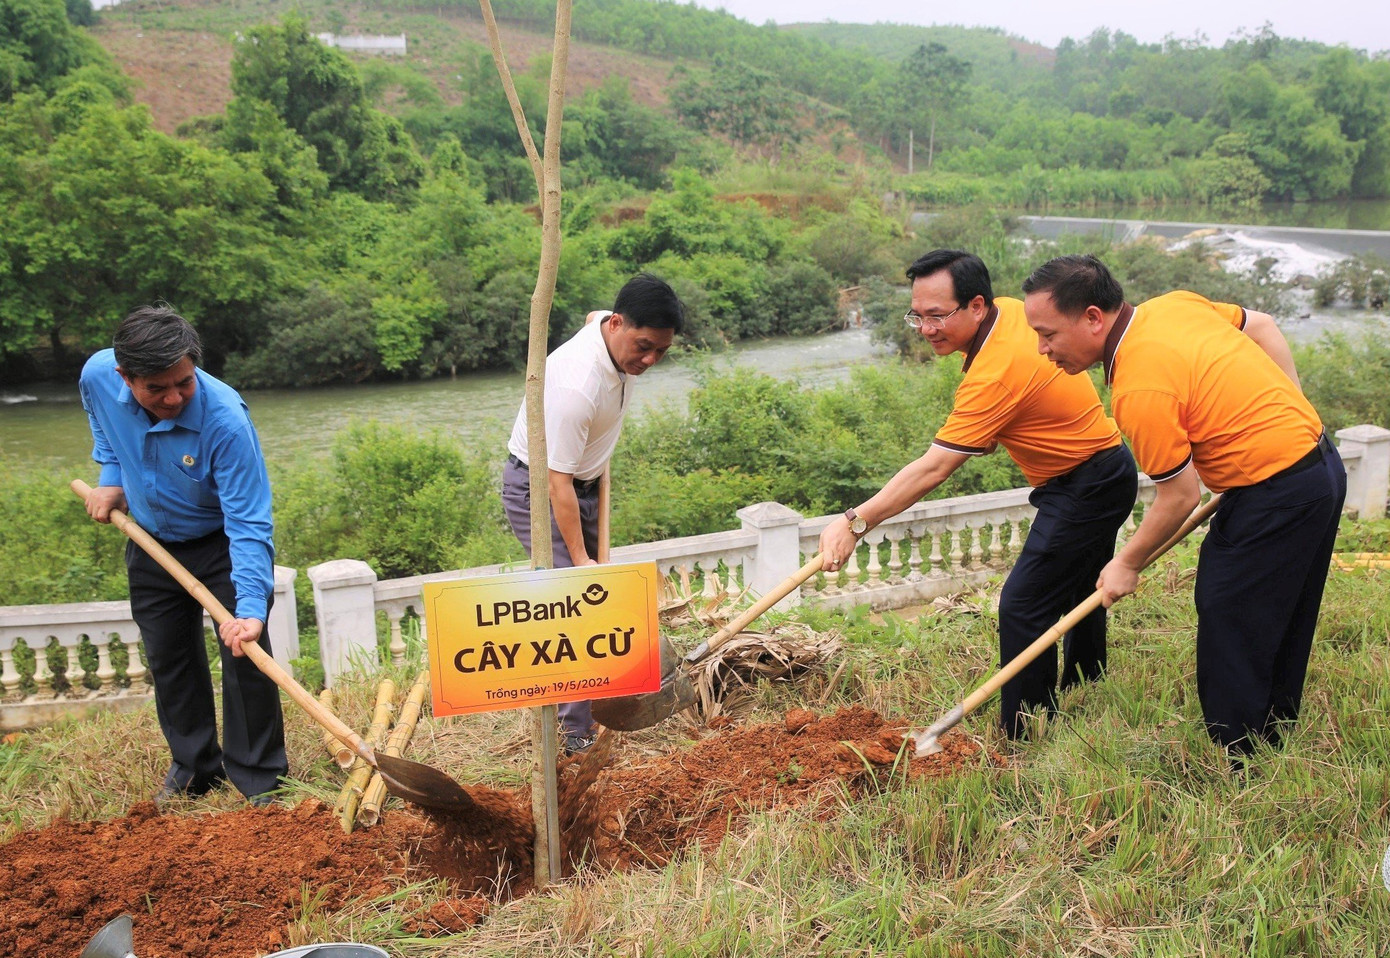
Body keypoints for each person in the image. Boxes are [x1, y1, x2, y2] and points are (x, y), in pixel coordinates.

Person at [1022, 254, 1346, 759]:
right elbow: (1263, 326)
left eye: (1048, 334)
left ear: (1092, 317)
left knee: (1228, 607)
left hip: (1278, 492)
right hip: (1319, 466)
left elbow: (1179, 496)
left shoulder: (1139, 388)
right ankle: (1273, 730)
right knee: (1282, 605)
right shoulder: (1172, 306)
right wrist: (1297, 412)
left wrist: (1125, 563)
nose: (1043, 350)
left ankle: (1237, 754)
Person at [819, 250, 1137, 739]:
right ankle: (1086, 681)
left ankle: (1025, 731)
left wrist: (855, 521)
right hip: (1103, 468)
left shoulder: (997, 368)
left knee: (1023, 604)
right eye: (918, 316)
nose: (926, 328)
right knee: (1078, 584)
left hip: (1086, 483)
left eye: (938, 316)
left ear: (976, 306)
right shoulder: (1012, 313)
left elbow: (935, 468)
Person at [79, 306, 287, 805]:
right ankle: (196, 768)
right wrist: (111, 479)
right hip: (150, 543)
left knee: (246, 657)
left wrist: (252, 610)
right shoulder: (96, 376)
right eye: (157, 388)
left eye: (184, 383)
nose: (173, 397)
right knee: (170, 658)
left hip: (220, 545)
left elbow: (249, 522)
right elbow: (102, 426)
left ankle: (260, 780)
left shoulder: (226, 421)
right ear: (124, 377)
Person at [502, 273, 684, 753]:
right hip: (540, 489)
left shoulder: (608, 326)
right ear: (619, 325)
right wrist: (582, 562)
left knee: (588, 600)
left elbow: (592, 317)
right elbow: (554, 483)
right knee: (578, 604)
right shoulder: (576, 386)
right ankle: (572, 735)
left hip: (583, 483)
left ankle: (594, 704)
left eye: (660, 352)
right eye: (643, 347)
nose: (648, 361)